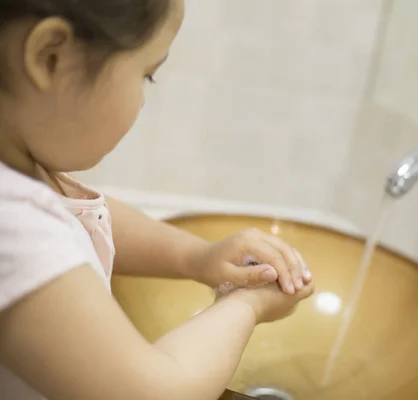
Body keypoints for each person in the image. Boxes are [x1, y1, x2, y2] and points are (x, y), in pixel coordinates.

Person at [0, 1, 315, 399]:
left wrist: (197, 256)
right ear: (50, 57)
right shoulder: (11, 227)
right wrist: (246, 306)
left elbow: (79, 219)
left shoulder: (19, 175)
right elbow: (158, 392)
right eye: (147, 75)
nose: (143, 101)